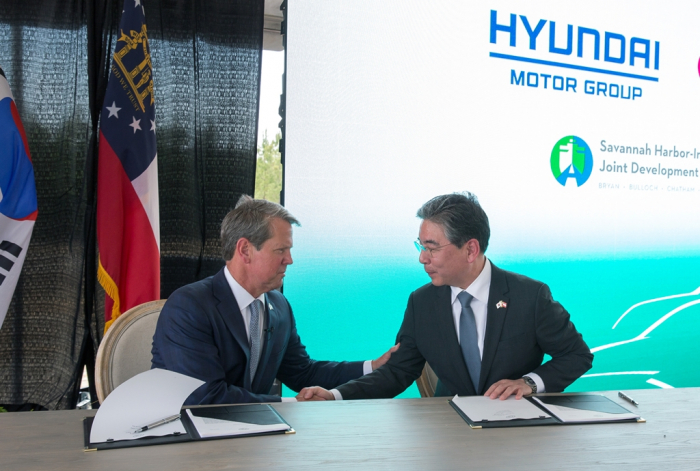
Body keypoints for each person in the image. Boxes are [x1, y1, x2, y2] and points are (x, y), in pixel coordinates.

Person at [297, 192, 592, 402]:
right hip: (448, 434)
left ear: (471, 250)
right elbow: (397, 372)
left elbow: (577, 355)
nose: (423, 259)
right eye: (420, 246)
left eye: (432, 247)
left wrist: (529, 383)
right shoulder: (422, 302)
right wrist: (335, 395)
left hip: (517, 433)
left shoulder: (529, 296)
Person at [151, 195, 398, 404]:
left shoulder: (278, 305)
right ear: (245, 250)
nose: (289, 260)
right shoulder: (189, 306)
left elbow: (302, 373)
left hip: (254, 439)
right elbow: (206, 397)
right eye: (281, 250)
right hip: (190, 442)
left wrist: (372, 367)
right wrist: (291, 404)